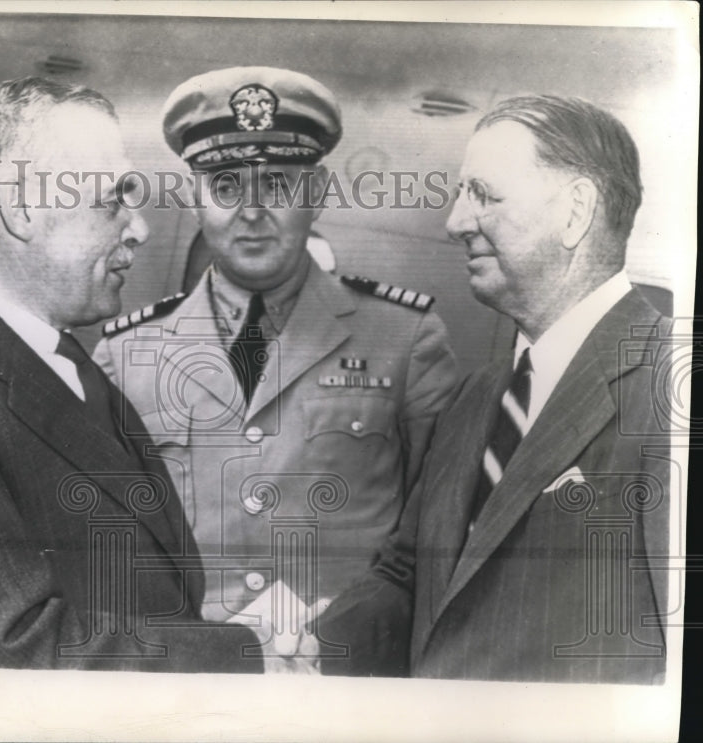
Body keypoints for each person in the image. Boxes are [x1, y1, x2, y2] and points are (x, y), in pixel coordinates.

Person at [0, 76, 277, 672]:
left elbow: (147, 599)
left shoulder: (71, 367)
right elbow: (11, 653)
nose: (140, 227)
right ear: (21, 208)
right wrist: (247, 658)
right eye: (113, 199)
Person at [93, 67, 458, 651]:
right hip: (190, 676)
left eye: (279, 185)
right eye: (227, 186)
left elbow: (437, 538)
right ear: (195, 200)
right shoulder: (124, 354)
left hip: (342, 673)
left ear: (315, 195)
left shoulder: (405, 338)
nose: (253, 210)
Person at [318, 94, 672, 683]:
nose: (455, 221)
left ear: (575, 211)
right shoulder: (478, 394)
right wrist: (306, 646)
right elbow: (413, 574)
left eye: (482, 194)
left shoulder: (671, 388)